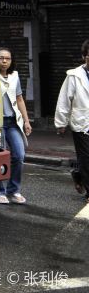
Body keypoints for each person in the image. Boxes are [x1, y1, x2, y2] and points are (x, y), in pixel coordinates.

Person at [0, 47, 32, 204]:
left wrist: (26, 121)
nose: (4, 61)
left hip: (12, 122)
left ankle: (13, 191)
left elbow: (19, 99)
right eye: (1, 58)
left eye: (8, 58)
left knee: (19, 155)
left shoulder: (14, 76)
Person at [55, 39, 89, 201]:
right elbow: (64, 99)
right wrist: (61, 123)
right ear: (84, 56)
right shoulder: (74, 76)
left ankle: (78, 174)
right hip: (82, 124)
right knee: (86, 157)